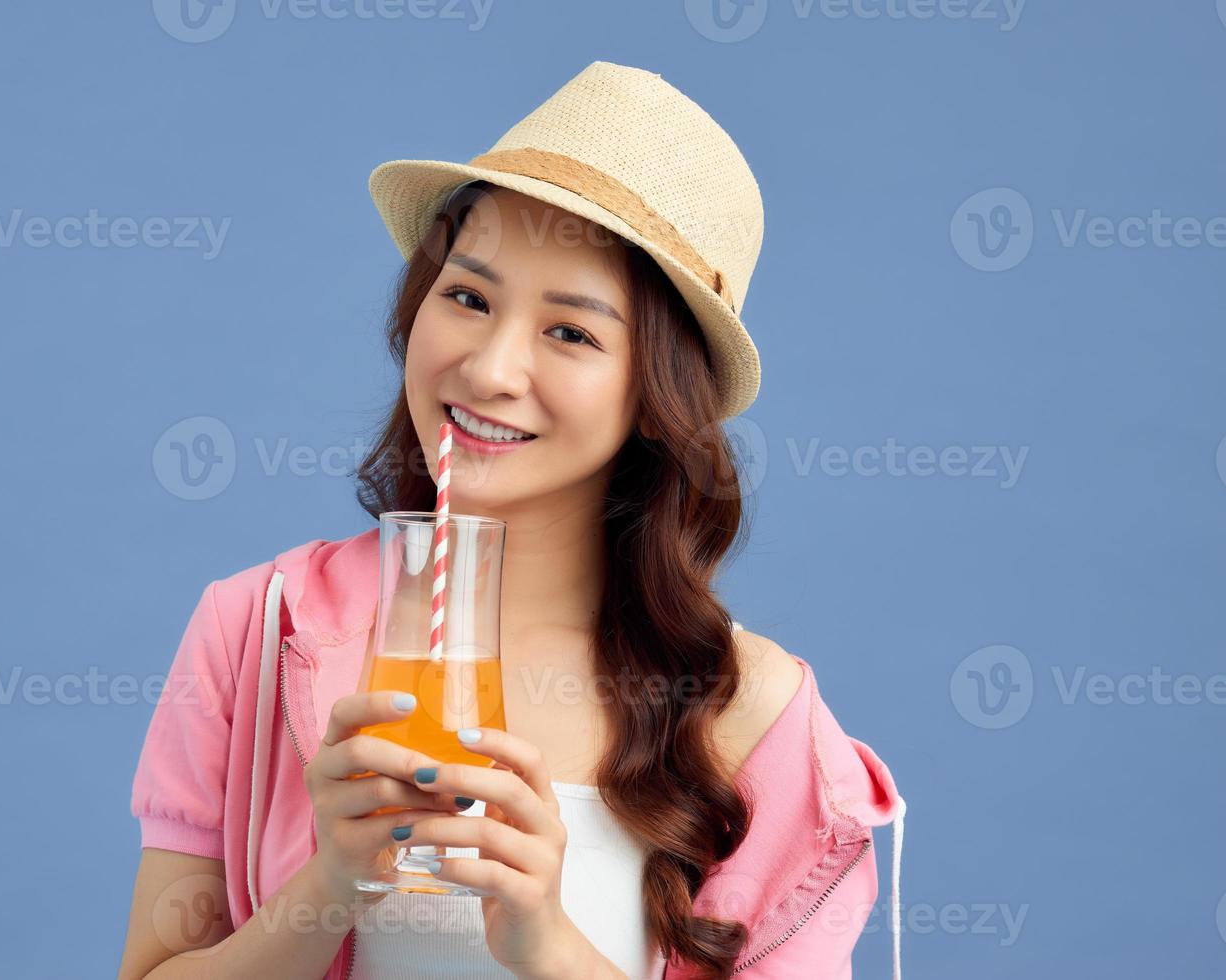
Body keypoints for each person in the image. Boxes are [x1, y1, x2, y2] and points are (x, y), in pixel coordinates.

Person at [117, 60, 905, 980]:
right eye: (467, 297)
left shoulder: (755, 716)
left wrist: (548, 944)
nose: (490, 369)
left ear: (657, 394)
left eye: (569, 331)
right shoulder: (258, 627)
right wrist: (327, 886)